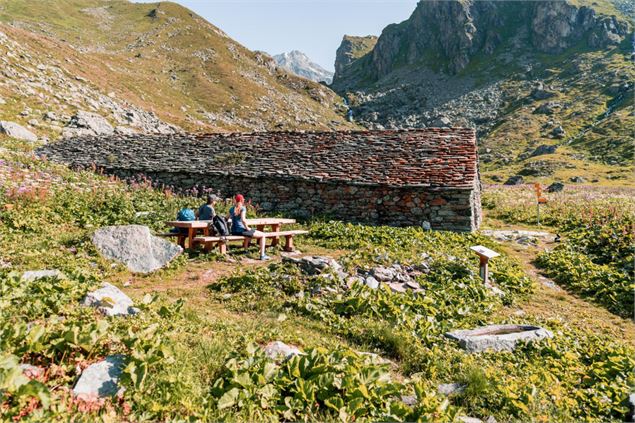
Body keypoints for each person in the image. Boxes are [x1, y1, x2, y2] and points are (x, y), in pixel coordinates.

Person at [227, 194, 269, 260]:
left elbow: (226, 218)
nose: (244, 200)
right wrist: (247, 228)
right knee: (263, 235)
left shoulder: (232, 209)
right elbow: (243, 220)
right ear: (241, 200)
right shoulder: (243, 208)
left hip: (234, 231)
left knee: (248, 234)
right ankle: (262, 255)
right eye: (243, 199)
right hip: (241, 230)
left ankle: (245, 250)